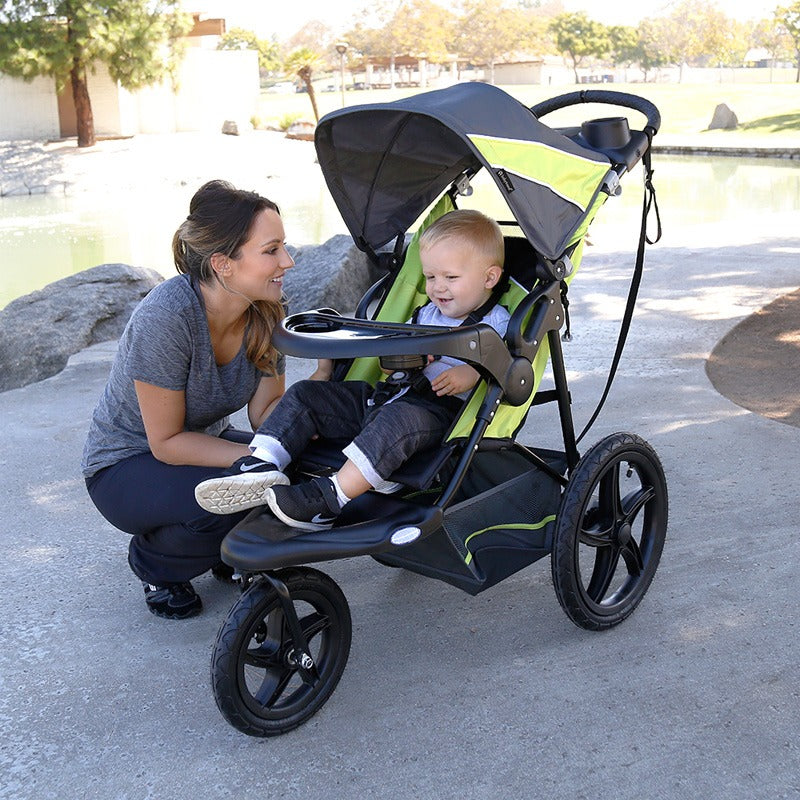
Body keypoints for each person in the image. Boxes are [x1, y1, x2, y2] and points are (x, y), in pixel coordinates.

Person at [81, 179, 330, 620]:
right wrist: (256, 462)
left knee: (297, 471)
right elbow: (167, 441)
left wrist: (317, 392)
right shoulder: (167, 318)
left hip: (195, 448)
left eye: (284, 247)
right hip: (125, 466)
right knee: (247, 488)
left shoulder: (265, 308)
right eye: (271, 250)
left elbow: (266, 413)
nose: (287, 262)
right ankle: (155, 564)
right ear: (223, 264)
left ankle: (218, 547)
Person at [194, 208, 510, 531]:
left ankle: (331, 499)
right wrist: (402, 362)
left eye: (450, 278)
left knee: (395, 422)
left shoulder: (495, 321)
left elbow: (508, 368)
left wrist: (473, 373)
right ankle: (261, 463)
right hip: (386, 397)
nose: (437, 288)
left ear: (489, 278)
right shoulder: (427, 314)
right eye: (430, 277)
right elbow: (399, 354)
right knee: (307, 394)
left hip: (435, 416)